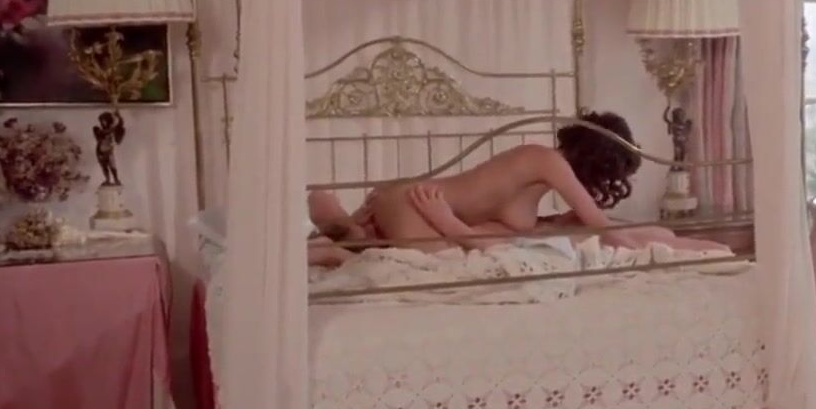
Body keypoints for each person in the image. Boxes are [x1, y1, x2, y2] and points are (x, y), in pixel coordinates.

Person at [309, 111, 726, 253]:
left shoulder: (535, 183)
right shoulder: (547, 161)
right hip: (418, 207)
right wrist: (655, 250)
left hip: (411, 204)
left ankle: (345, 232)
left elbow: (577, 225)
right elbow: (605, 228)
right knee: (455, 261)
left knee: (521, 241)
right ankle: (341, 244)